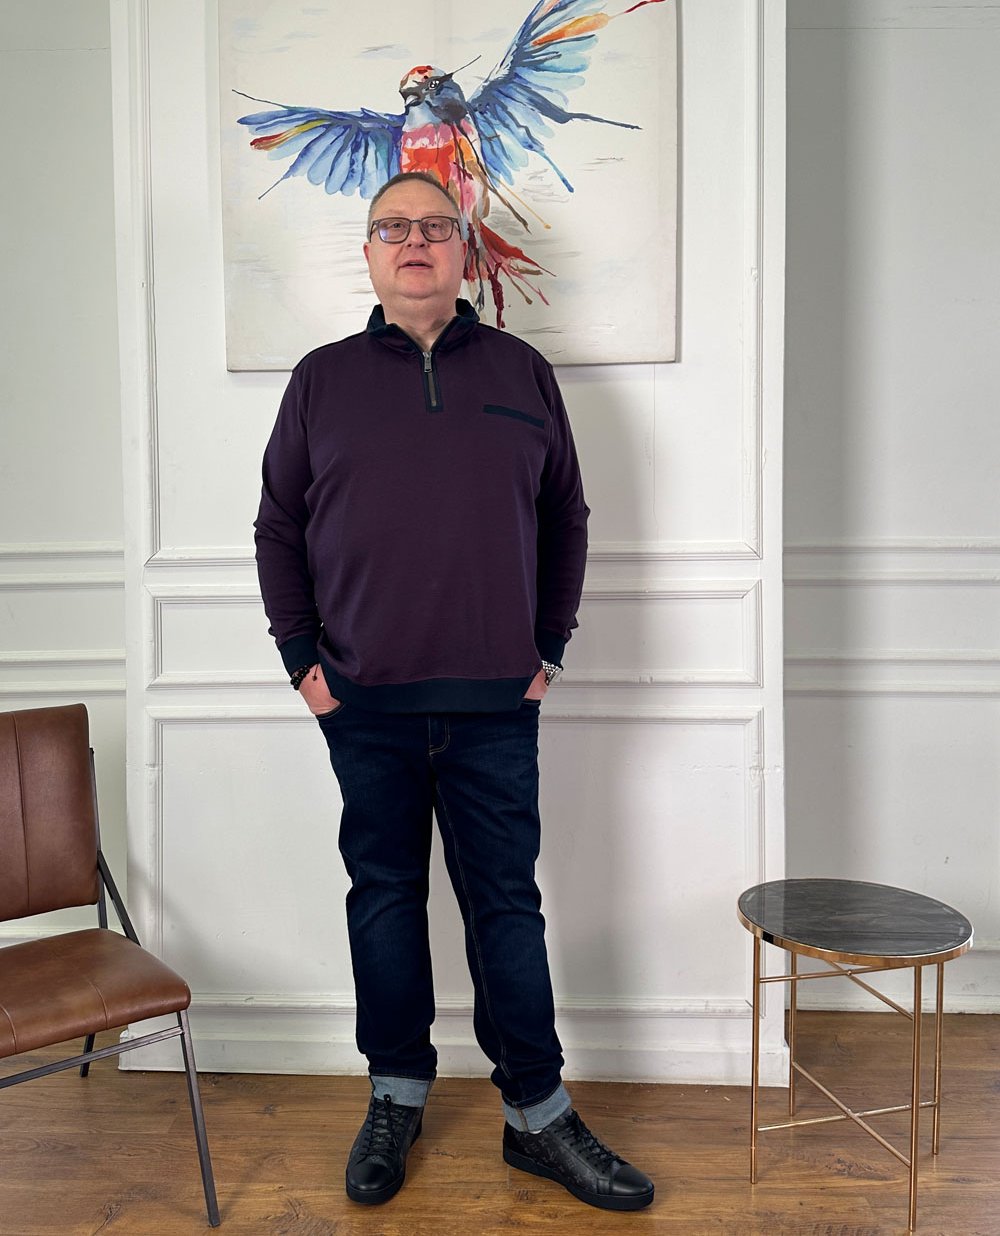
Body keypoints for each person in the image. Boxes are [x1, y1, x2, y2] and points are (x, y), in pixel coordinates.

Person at [254, 171, 654, 1213]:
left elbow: (566, 517)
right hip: (364, 702)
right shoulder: (321, 380)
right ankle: (394, 1096)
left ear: (464, 252)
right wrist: (302, 660)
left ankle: (537, 1116)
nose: (415, 242)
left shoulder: (522, 371)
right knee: (384, 901)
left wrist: (548, 646)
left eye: (436, 226)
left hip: (493, 706)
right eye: (393, 228)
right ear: (370, 255)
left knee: (505, 908)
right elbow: (279, 526)